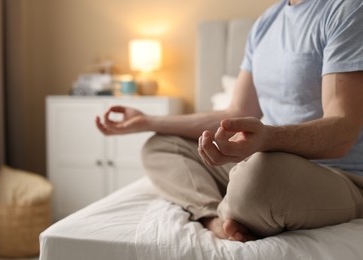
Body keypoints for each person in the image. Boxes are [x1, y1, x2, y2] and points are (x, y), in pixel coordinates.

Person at [96, 0, 363, 242]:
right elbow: (233, 113)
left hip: (336, 174)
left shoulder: (347, 10)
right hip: (266, 158)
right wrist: (149, 121)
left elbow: (343, 130)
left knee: (259, 175)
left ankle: (240, 199)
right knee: (161, 146)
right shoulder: (266, 22)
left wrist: (268, 138)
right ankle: (215, 218)